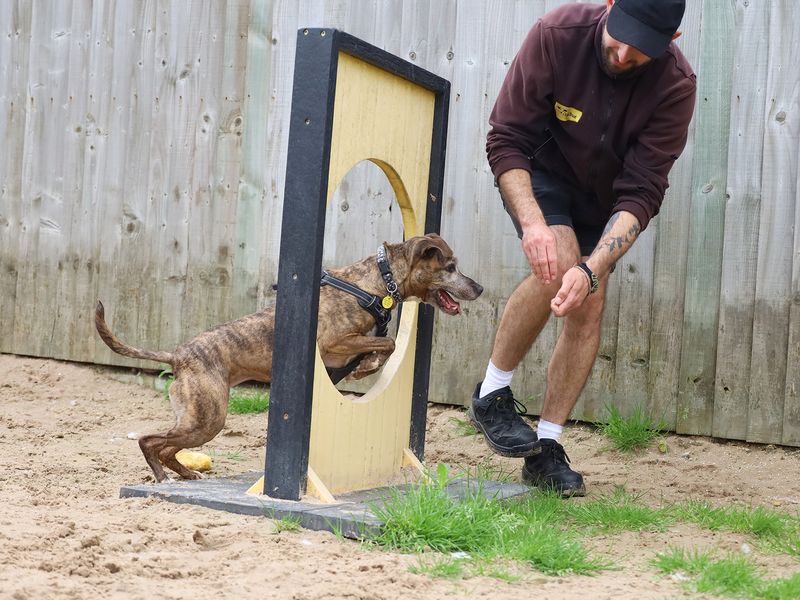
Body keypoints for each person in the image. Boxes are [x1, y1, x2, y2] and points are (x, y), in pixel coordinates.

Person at [469, 0, 696, 496]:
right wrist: (533, 227)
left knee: (588, 300)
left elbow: (643, 190)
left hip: (608, 199)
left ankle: (546, 447)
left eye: (641, 50)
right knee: (556, 264)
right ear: (610, 5)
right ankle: (491, 392)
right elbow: (506, 138)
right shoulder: (557, 33)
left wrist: (594, 270)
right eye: (620, 36)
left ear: (671, 42)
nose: (622, 54)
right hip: (541, 173)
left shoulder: (675, 84)